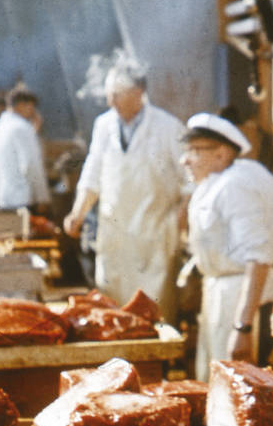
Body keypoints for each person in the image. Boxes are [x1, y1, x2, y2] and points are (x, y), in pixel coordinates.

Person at [63, 66, 187, 309]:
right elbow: (92, 176)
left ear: (138, 92)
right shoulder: (103, 125)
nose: (111, 101)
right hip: (115, 236)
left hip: (155, 236)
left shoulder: (168, 127)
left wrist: (178, 222)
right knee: (113, 311)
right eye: (109, 94)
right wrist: (77, 213)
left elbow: (191, 182)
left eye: (117, 94)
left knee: (155, 312)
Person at [181, 112, 273, 381]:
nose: (185, 159)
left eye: (194, 150)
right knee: (216, 386)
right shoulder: (214, 184)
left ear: (222, 154)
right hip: (220, 293)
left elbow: (258, 257)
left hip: (240, 297)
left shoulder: (236, 184)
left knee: (240, 390)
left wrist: (243, 327)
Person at [0, 87, 49, 212]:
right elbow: (31, 165)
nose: (32, 112)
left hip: (4, 198)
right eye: (31, 107)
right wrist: (43, 198)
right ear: (21, 105)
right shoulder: (22, 127)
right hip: (23, 198)